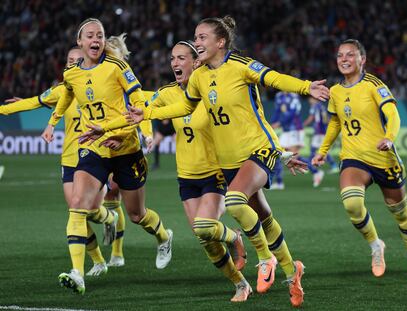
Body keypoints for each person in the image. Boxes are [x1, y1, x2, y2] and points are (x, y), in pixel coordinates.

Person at [85, 16, 330, 307]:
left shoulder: (242, 66)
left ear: (220, 42)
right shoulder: (200, 79)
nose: (198, 42)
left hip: (256, 151)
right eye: (196, 38)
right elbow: (184, 105)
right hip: (227, 163)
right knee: (261, 215)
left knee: (237, 201)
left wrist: (305, 88)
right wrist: (139, 118)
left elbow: (274, 78)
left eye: (201, 38)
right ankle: (292, 271)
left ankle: (266, 259)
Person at [44, 18, 173, 294]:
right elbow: (67, 95)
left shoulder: (117, 67)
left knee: (137, 215)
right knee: (77, 205)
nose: (96, 39)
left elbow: (138, 101)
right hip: (94, 147)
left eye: (100, 35)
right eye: (90, 35)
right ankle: (78, 273)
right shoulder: (72, 75)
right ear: (80, 42)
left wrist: (130, 133)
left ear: (103, 41)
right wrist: (53, 121)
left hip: (126, 148)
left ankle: (164, 237)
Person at [0, 47, 117, 277]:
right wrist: (4, 109)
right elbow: (34, 102)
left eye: (77, 60)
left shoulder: (97, 88)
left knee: (92, 210)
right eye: (69, 61)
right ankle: (98, 261)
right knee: (76, 212)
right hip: (70, 159)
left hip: (94, 157)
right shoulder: (61, 90)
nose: (72, 64)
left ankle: (109, 218)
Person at [147, 40, 250, 302]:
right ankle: (240, 283)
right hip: (186, 175)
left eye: (181, 58)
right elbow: (142, 104)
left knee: (205, 226)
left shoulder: (211, 90)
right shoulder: (168, 92)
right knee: (203, 237)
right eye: (172, 58)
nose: (175, 63)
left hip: (215, 172)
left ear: (196, 62)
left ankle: (235, 238)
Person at [312, 39, 407, 283]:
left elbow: (393, 114)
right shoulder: (335, 92)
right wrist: (323, 150)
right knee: (352, 205)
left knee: (401, 214)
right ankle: (376, 245)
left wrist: (389, 138)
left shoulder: (374, 85)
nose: (344, 59)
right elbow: (336, 122)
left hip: (383, 158)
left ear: (362, 60)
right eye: (340, 55)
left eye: (350, 55)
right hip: (353, 158)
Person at [270, 92, 324, 189]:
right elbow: (277, 111)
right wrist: (272, 123)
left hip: (295, 129)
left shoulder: (294, 97)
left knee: (294, 155)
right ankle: (279, 183)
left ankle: (316, 172)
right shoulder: (279, 96)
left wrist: (279, 123)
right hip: (286, 130)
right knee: (278, 154)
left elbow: (293, 113)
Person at [303, 97, 338, 175]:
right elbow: (327, 119)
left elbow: (311, 118)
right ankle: (333, 166)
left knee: (315, 150)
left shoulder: (315, 106)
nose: (309, 101)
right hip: (323, 130)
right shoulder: (322, 106)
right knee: (321, 150)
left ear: (313, 99)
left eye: (310, 99)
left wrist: (303, 125)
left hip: (319, 131)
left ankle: (310, 167)